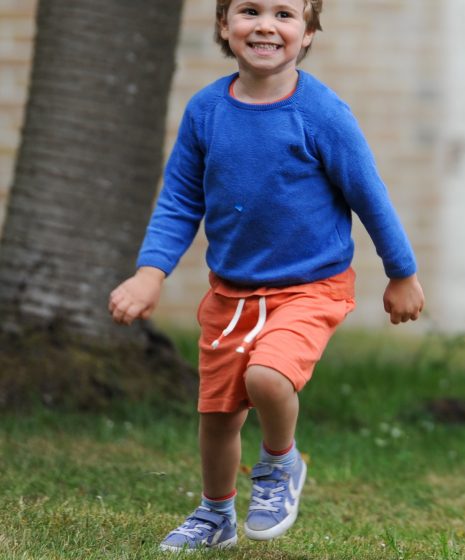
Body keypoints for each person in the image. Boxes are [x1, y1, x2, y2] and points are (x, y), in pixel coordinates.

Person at [107, 0, 424, 551]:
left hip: (310, 286)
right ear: (224, 28)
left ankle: (281, 464)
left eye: (284, 14)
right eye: (249, 10)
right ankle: (216, 514)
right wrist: (149, 272)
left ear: (306, 36)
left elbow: (369, 196)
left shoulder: (321, 113)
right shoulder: (206, 111)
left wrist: (402, 273)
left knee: (268, 376)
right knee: (218, 416)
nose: (266, 25)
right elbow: (181, 200)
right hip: (230, 293)